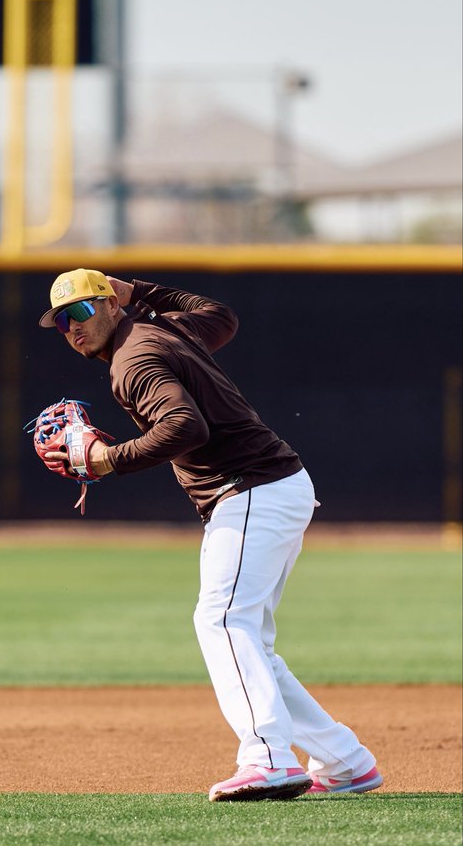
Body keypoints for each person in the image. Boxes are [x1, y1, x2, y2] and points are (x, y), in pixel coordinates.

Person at [39, 268, 383, 802]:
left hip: (251, 489)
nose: (73, 327)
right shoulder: (166, 329)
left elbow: (184, 426)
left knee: (222, 619)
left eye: (82, 310)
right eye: (62, 321)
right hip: (272, 486)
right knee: (247, 640)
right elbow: (221, 316)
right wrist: (142, 292)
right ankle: (346, 761)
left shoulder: (135, 358)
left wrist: (110, 460)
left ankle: (266, 758)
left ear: (109, 305)